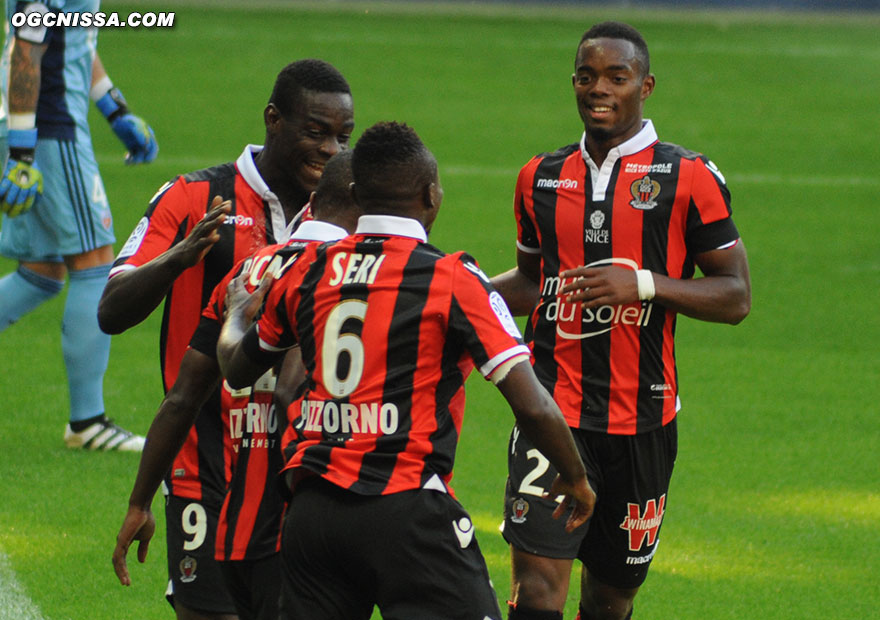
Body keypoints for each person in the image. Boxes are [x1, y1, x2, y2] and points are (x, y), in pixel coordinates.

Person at [216, 121, 596, 620]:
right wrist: (576, 477)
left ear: (355, 193)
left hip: (313, 515)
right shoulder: (453, 277)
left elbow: (238, 368)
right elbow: (532, 402)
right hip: (406, 512)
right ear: (430, 195)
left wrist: (235, 318)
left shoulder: (307, 270)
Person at [491, 22, 751, 620]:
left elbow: (735, 296)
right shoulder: (541, 175)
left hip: (643, 423)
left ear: (646, 85)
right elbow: (532, 282)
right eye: (587, 77)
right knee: (536, 594)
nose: (598, 89)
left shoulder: (690, 176)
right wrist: (467, 295)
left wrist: (643, 283)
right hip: (552, 410)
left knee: (610, 600)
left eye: (616, 76)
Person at [97, 59, 355, 619]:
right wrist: (179, 257)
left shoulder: (343, 213)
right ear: (272, 119)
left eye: (342, 136)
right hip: (203, 465)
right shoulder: (193, 198)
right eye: (316, 131)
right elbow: (112, 311)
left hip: (303, 466)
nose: (330, 149)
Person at [0, 0, 157, 451]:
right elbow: (27, 53)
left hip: (39, 127)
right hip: (48, 130)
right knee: (94, 265)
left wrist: (115, 108)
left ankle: (87, 423)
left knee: (41, 273)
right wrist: (23, 154)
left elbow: (73, 41)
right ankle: (88, 423)